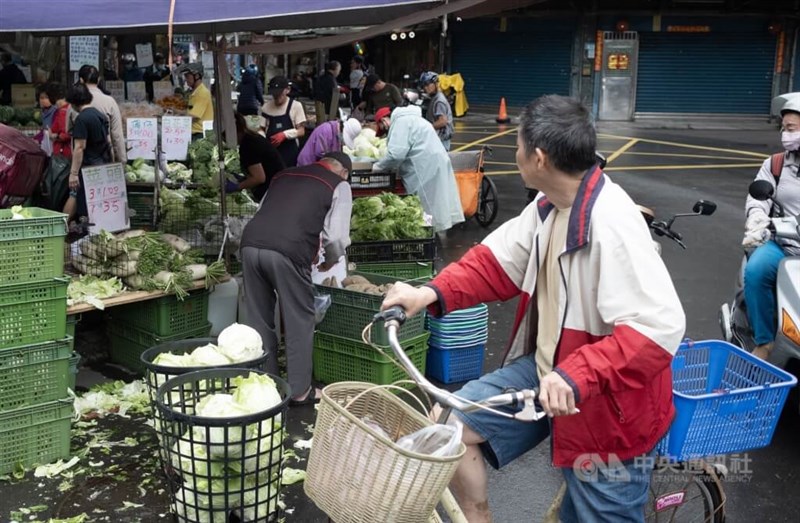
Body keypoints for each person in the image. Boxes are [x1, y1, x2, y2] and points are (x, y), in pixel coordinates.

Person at [381, 95, 686, 523]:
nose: (516, 154)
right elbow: (494, 262)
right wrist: (428, 293)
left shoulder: (613, 224)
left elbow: (657, 330)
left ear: (538, 157)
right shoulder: (548, 206)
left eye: (519, 146)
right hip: (550, 373)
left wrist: (576, 374)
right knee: (452, 420)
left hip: (606, 406)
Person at [240, 151, 353, 405]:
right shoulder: (339, 185)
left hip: (250, 245)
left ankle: (267, 384)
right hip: (288, 251)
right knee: (300, 319)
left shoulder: (283, 175)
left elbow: (263, 210)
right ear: (343, 172)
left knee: (259, 318)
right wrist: (329, 261)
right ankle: (300, 391)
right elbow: (337, 237)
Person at [742, 99, 800, 360]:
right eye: (785, 128)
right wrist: (757, 219)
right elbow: (759, 197)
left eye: (793, 128)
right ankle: (764, 341)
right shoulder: (775, 164)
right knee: (756, 270)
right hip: (785, 245)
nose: (787, 134)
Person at [371, 105, 464, 232]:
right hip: (434, 162)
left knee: (425, 204)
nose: (385, 131)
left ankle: (428, 233)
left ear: (384, 120)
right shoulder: (414, 119)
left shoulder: (401, 122)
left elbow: (396, 155)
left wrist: (378, 167)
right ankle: (433, 231)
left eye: (382, 128)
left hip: (425, 166)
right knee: (437, 201)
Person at [64, 84, 111, 223]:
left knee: (78, 197)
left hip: (88, 167)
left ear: (73, 101)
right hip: (102, 164)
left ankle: (63, 229)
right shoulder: (99, 115)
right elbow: (108, 142)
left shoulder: (82, 119)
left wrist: (73, 174)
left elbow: (79, 147)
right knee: (95, 202)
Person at [226, 112, 285, 203]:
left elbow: (259, 178)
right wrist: (245, 179)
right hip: (279, 185)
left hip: (273, 191)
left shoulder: (248, 145)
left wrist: (238, 186)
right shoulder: (252, 137)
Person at [75, 65, 126, 163]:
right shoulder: (109, 101)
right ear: (98, 80)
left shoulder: (75, 102)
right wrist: (122, 159)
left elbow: (68, 130)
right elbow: (117, 134)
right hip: (104, 157)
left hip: (81, 159)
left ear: (81, 80)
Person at [259, 75, 307, 167]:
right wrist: (263, 140)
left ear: (287, 90)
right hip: (271, 152)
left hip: (289, 152)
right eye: (274, 94)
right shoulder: (266, 107)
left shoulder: (296, 106)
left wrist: (284, 135)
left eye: (280, 93)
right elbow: (261, 128)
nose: (277, 97)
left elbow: (301, 131)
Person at [297, 118, 362, 167]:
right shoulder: (326, 130)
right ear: (342, 129)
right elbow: (322, 156)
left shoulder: (337, 135)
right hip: (307, 165)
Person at [419, 71, 454, 151]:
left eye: (428, 84)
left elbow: (442, 121)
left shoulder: (439, 101)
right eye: (424, 85)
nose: (425, 87)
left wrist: (427, 128)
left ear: (435, 84)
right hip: (437, 138)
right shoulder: (433, 97)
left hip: (441, 139)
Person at [180, 63, 214, 141]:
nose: (186, 79)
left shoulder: (202, 93)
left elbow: (194, 115)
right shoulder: (195, 92)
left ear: (197, 76)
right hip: (193, 132)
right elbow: (190, 111)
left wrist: (175, 119)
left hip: (199, 134)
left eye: (187, 76)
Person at [49, 85, 72, 158]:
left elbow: (65, 134)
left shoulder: (62, 112)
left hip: (63, 151)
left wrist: (53, 136)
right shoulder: (70, 109)